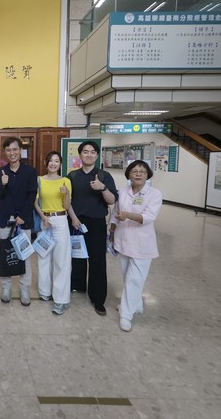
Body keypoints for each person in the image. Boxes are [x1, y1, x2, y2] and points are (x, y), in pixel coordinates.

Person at [110, 160, 162, 332]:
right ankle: (136, 304)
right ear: (129, 174)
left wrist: (128, 215)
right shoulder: (122, 192)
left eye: (143, 172)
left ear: (148, 175)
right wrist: (111, 232)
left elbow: (148, 217)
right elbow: (115, 213)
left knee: (135, 279)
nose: (139, 174)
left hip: (142, 243)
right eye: (135, 171)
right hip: (123, 239)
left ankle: (126, 315)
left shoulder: (154, 194)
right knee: (127, 276)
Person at [67, 140, 118, 316]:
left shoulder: (104, 176)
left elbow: (112, 200)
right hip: (76, 222)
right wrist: (73, 218)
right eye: (85, 152)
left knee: (97, 260)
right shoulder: (72, 176)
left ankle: (98, 298)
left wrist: (102, 188)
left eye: (92, 152)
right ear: (80, 155)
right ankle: (78, 285)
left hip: (96, 222)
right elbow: (67, 201)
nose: (89, 155)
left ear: (96, 155)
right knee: (77, 256)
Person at [0, 137, 37, 306]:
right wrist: (3, 184)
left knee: (24, 255)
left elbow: (32, 195)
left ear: (20, 151)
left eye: (15, 149)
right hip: (6, 220)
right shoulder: (0, 172)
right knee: (6, 254)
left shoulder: (30, 171)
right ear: (5, 152)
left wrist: (23, 216)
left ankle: (24, 288)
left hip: (22, 220)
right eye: (8, 150)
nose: (12, 153)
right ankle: (6, 287)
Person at [34, 151, 72, 315]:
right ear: (46, 163)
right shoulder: (39, 180)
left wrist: (66, 193)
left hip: (60, 221)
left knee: (61, 261)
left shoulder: (65, 181)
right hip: (45, 221)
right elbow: (35, 202)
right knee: (43, 257)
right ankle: (44, 292)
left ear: (60, 164)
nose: (53, 164)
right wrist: (43, 217)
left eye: (56, 161)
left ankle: (61, 299)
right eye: (51, 161)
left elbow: (67, 206)